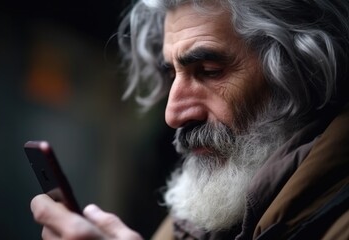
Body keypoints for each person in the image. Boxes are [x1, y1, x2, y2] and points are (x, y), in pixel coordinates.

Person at [30, 0, 349, 239]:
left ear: (302, 70)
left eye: (209, 72)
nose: (173, 114)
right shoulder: (188, 223)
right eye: (172, 75)